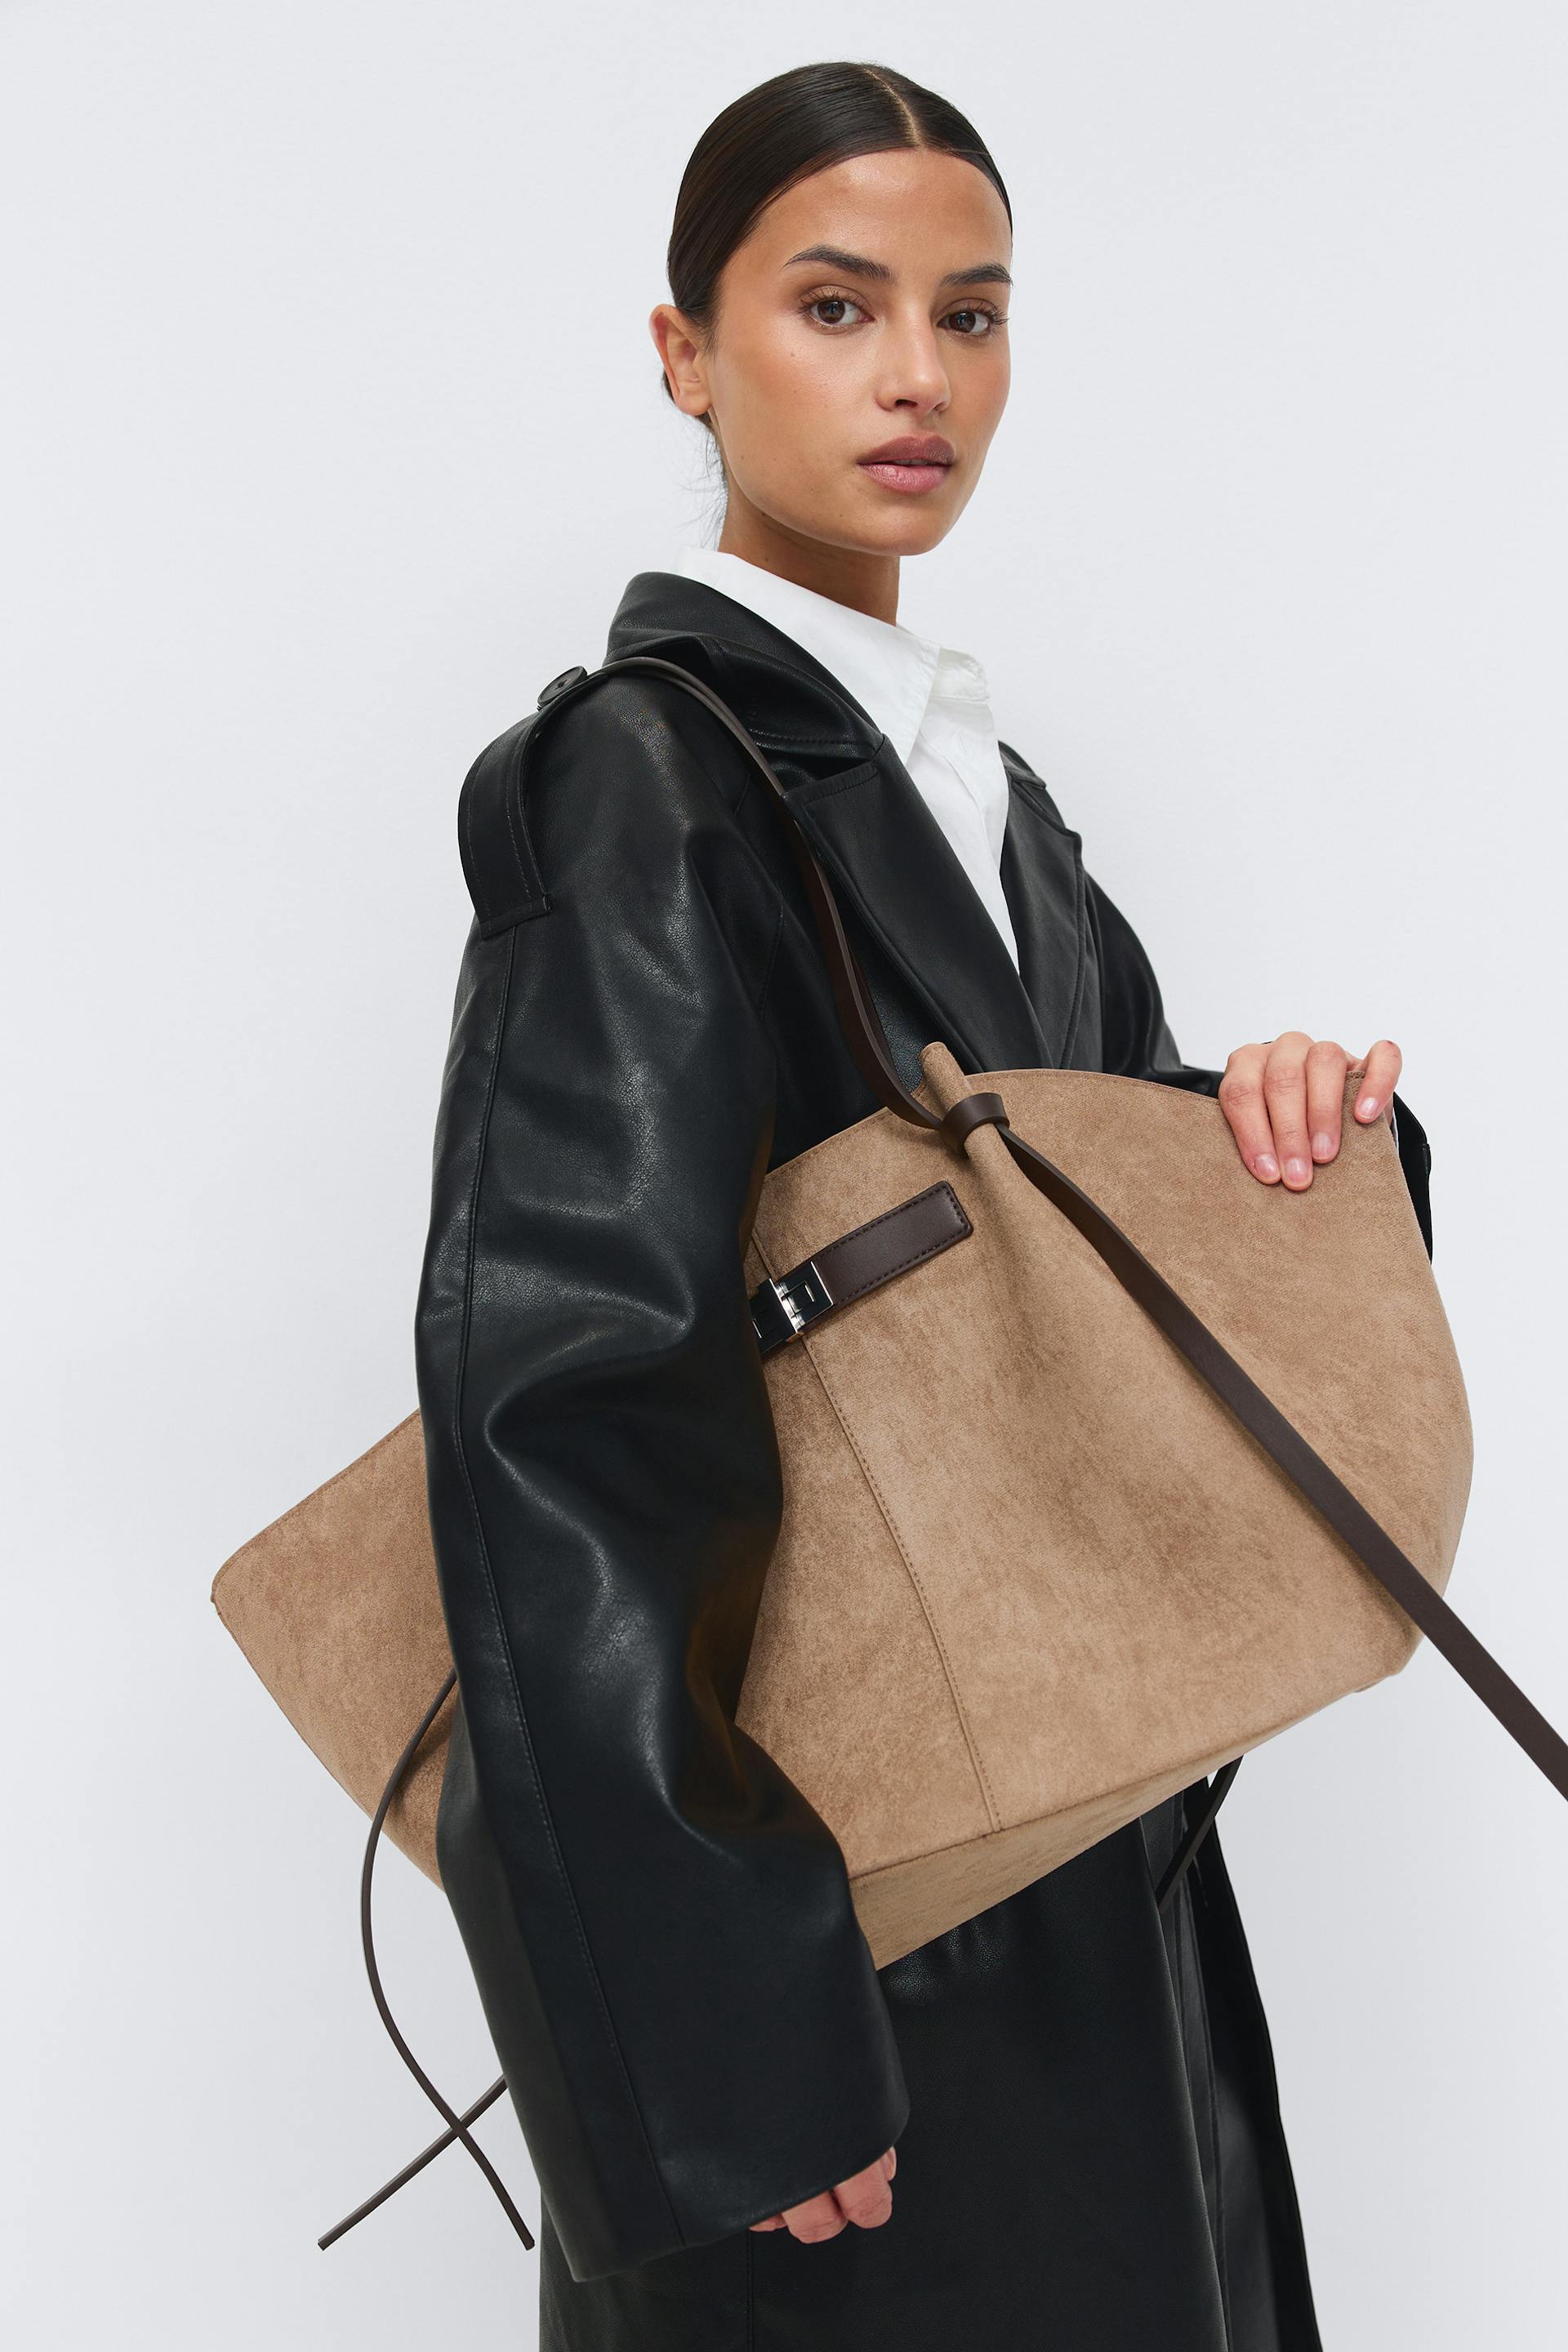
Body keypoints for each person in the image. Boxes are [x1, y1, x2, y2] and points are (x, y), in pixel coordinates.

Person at [413, 59, 1432, 2352]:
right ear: (682, 352)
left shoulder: (996, 804)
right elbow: (569, 1413)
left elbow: (1108, 1341)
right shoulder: (643, 779)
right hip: (853, 1991)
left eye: (971, 316)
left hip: (1092, 1915)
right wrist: (723, 2050)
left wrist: (1268, 1138)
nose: (915, 377)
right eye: (836, 304)